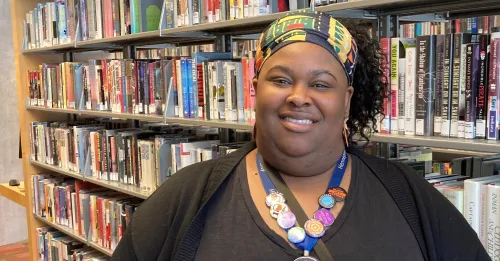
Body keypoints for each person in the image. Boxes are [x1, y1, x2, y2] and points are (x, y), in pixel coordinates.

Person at [111, 10, 489, 261]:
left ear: (346, 101)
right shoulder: (186, 199)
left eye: (321, 84)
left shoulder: (408, 196)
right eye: (280, 79)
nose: (299, 97)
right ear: (255, 88)